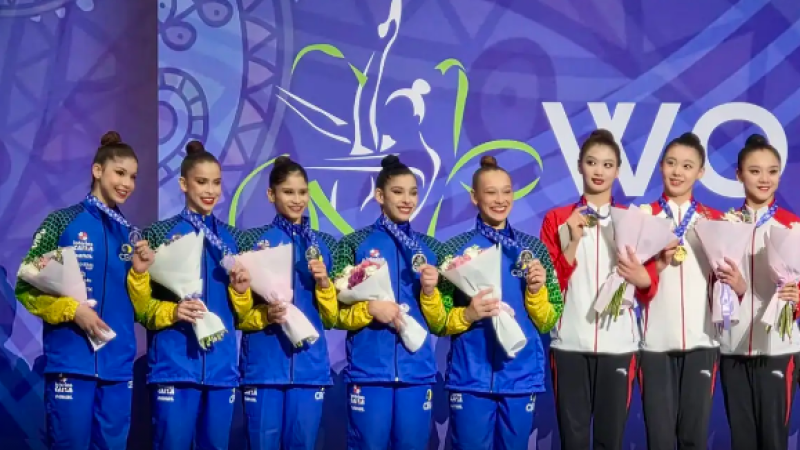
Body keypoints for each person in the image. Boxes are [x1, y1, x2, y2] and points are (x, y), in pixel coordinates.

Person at [15, 131, 141, 449]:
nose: (127, 183)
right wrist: (73, 311)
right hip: (71, 361)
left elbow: (140, 305)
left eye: (133, 177)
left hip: (118, 365)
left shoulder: (133, 235)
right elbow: (25, 286)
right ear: (97, 170)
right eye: (120, 173)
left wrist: (141, 274)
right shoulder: (62, 222)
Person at [126, 140, 253, 450]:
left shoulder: (234, 239)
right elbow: (141, 309)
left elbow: (243, 315)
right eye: (201, 182)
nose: (210, 190)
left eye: (216, 182)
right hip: (174, 365)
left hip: (221, 369)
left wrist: (241, 292)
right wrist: (172, 311)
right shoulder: (156, 234)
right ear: (183, 184)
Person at [539, 129, 660, 450]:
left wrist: (640, 275)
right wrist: (573, 241)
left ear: (618, 171)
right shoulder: (558, 219)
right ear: (579, 165)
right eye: (592, 162)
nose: (599, 171)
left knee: (610, 441)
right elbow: (548, 285)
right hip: (569, 346)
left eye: (607, 165)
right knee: (573, 440)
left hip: (619, 345)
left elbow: (649, 288)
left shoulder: (632, 221)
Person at [431, 155, 563, 450]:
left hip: (521, 376)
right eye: (491, 192)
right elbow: (438, 321)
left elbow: (548, 319)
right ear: (474, 197)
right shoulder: (453, 250)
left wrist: (536, 291)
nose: (500, 200)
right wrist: (468, 314)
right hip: (470, 377)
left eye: (506, 191)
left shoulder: (533, 249)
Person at [332, 155, 444, 450]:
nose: (407, 200)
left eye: (413, 192)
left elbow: (440, 322)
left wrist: (430, 293)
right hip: (370, 373)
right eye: (398, 192)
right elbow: (334, 314)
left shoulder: (431, 248)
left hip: (416, 371)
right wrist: (369, 310)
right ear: (380, 195)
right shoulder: (353, 244)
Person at [236, 156, 338, 450]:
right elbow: (239, 314)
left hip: (309, 367)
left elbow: (331, 318)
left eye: (302, 192)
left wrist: (324, 284)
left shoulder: (323, 245)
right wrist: (265, 315)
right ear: (271, 195)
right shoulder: (252, 242)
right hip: (264, 366)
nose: (297, 200)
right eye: (288, 192)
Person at [637, 132, 724, 450]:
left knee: (693, 439)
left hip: (702, 341)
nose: (678, 171)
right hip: (654, 344)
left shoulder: (713, 221)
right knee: (659, 440)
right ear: (660, 166)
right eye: (671, 163)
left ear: (700, 172)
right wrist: (655, 265)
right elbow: (629, 282)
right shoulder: (642, 217)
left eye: (687, 166)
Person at [717, 134, 800, 450]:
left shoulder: (793, 227)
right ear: (739, 175)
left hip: (777, 350)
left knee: (773, 441)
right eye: (755, 171)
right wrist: (736, 290)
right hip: (733, 348)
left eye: (772, 171)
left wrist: (797, 299)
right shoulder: (724, 226)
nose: (764, 179)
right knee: (743, 441)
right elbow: (711, 290)